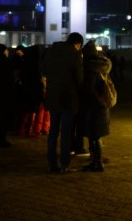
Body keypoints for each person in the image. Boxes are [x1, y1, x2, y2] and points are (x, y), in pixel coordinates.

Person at [41, 32, 83, 173]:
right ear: (77, 44)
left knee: (53, 131)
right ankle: (65, 164)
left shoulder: (51, 51)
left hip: (53, 96)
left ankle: (51, 163)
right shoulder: (75, 54)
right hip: (68, 98)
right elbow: (79, 79)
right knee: (66, 132)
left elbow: (44, 70)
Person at [80, 40, 112, 172]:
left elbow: (89, 89)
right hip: (102, 106)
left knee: (94, 136)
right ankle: (96, 161)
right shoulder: (102, 66)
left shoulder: (91, 70)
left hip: (93, 106)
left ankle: (97, 163)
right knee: (96, 135)